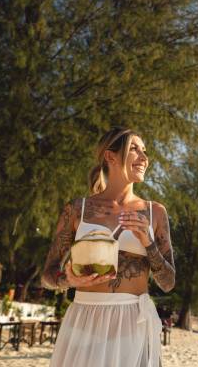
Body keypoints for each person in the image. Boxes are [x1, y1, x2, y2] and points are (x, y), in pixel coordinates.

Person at [41, 127, 175, 367]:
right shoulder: (77, 209)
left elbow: (168, 282)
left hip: (132, 323)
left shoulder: (155, 212)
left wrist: (148, 242)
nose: (144, 158)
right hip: (83, 321)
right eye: (134, 149)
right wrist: (68, 281)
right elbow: (48, 275)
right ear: (110, 156)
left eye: (144, 151)